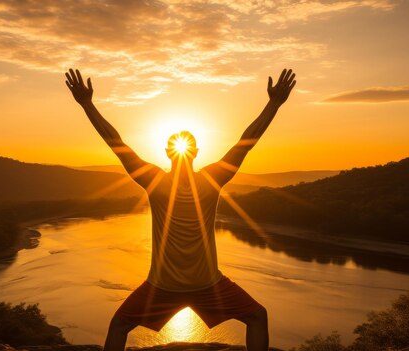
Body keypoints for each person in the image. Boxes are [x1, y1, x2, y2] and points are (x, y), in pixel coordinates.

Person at [65, 67, 296, 351]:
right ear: (195, 152)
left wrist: (88, 105)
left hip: (162, 286)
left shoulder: (154, 182)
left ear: (168, 152)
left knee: (119, 325)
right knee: (257, 317)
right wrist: (273, 104)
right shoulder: (211, 180)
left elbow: (116, 143)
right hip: (208, 285)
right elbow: (246, 143)